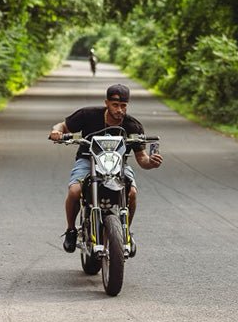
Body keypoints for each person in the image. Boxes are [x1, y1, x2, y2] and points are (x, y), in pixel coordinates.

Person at [49, 83, 163, 253]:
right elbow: (62, 126)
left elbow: (142, 158)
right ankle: (71, 230)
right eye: (115, 105)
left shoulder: (133, 126)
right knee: (74, 191)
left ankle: (125, 232)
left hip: (118, 164)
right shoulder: (87, 115)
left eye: (123, 106)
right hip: (88, 161)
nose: (119, 110)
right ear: (106, 103)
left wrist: (151, 162)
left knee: (131, 192)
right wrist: (56, 132)